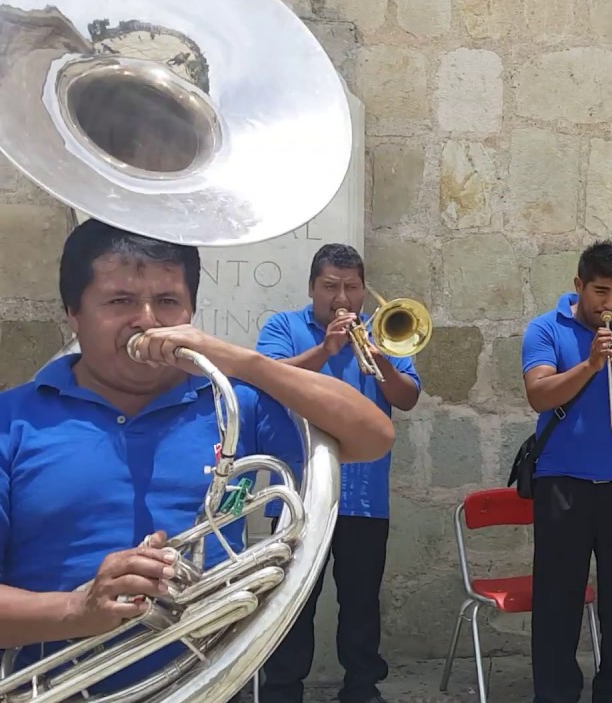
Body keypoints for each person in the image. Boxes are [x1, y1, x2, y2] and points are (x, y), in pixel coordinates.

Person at [0, 219, 394, 701]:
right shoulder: (11, 422)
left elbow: (373, 434)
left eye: (168, 302)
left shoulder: (232, 404)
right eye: (120, 301)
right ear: (73, 313)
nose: (147, 320)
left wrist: (238, 361)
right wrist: (76, 609)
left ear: (190, 310)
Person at [256, 243, 421, 703]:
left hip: (365, 495)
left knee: (362, 604)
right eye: (331, 287)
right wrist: (325, 348)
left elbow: (406, 398)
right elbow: (267, 377)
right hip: (300, 493)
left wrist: (380, 355)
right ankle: (284, 691)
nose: (341, 298)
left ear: (365, 290)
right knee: (291, 603)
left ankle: (362, 688)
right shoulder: (284, 327)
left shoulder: (384, 333)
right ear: (312, 288)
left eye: (351, 287)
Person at [520, 240, 612, 703]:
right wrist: (591, 364)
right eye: (601, 291)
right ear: (579, 285)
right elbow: (539, 395)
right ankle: (557, 693)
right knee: (558, 599)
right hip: (562, 483)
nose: (611, 303)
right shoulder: (545, 329)